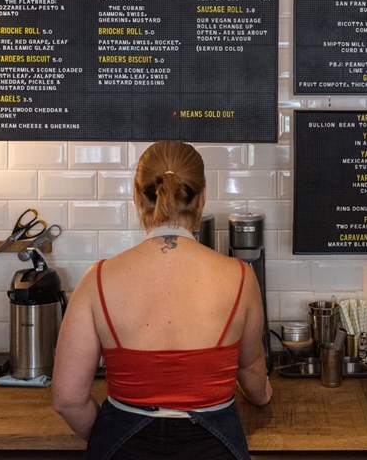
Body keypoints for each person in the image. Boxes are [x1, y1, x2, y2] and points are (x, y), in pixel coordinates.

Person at [52, 140, 272, 459]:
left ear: (137, 196)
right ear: (203, 196)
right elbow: (252, 371)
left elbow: (68, 400)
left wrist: (114, 436)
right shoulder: (240, 276)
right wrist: (264, 394)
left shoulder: (97, 279)